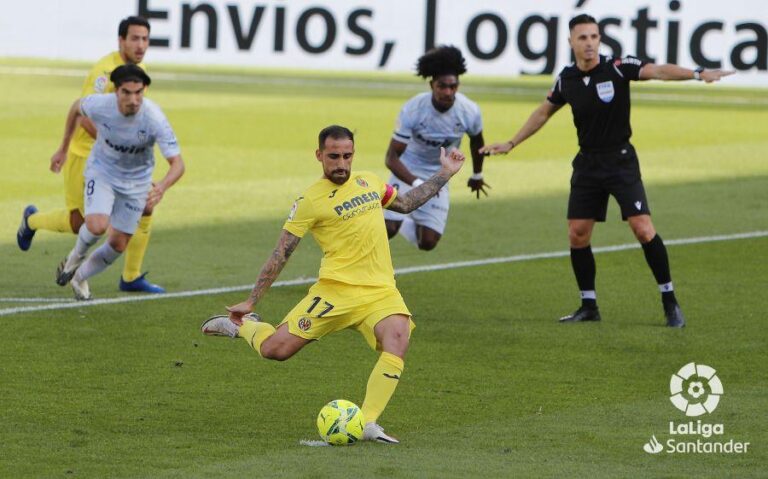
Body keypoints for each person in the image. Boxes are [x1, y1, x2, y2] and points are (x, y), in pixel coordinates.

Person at [201, 125, 465, 443]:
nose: (341, 164)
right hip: (334, 292)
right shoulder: (310, 200)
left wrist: (445, 172)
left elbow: (406, 204)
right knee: (276, 350)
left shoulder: (369, 182)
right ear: (319, 156)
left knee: (399, 338)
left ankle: (366, 422)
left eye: (347, 156)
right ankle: (242, 328)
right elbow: (281, 251)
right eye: (334, 156)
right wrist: (251, 301)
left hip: (380, 291)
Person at [481, 14, 733, 328]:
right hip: (587, 164)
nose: (589, 43)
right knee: (578, 233)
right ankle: (589, 305)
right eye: (583, 38)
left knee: (642, 228)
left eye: (594, 37)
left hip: (620, 161)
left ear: (600, 39)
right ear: (571, 42)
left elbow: (657, 70)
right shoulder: (566, 78)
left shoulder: (616, 67)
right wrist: (511, 142)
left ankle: (670, 301)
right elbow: (544, 111)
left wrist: (698, 73)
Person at [17, 16, 167, 293]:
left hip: (120, 159)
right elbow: (84, 114)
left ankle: (131, 276)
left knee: (146, 203)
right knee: (82, 224)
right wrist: (74, 147)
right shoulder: (104, 72)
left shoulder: (139, 70)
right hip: (87, 154)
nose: (141, 45)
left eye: (145, 39)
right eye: (134, 38)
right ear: (121, 41)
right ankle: (31, 221)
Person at [53, 65, 185, 300]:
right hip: (102, 171)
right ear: (116, 91)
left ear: (144, 90)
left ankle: (80, 276)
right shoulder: (100, 105)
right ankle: (74, 259)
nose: (134, 100)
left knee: (119, 244)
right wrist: (63, 148)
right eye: (127, 92)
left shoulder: (154, 118)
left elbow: (178, 164)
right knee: (96, 225)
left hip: (136, 183)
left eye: (139, 93)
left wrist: (162, 187)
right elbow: (76, 108)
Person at [383, 45, 486, 251]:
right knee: (387, 229)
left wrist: (477, 174)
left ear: (458, 85)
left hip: (439, 173)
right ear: (432, 85)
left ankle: (405, 221)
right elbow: (391, 158)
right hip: (407, 169)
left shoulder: (469, 111)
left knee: (428, 243)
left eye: (453, 86)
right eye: (442, 86)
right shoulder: (413, 109)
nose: (448, 92)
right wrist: (417, 183)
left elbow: (477, 142)